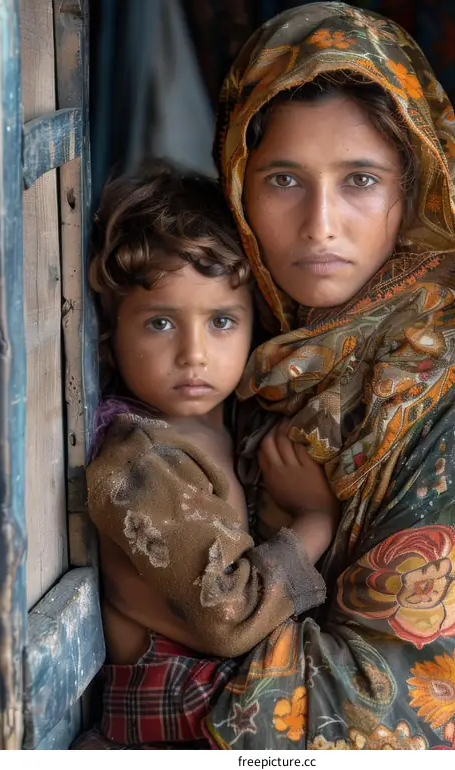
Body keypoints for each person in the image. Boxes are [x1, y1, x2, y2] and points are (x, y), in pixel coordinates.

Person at [78, 2, 455, 751]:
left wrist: (167, 635)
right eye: (284, 179)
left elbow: (401, 713)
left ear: (410, 195)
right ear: (239, 189)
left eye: (359, 180)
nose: (321, 223)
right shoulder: (229, 360)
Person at [83, 161, 339, 743]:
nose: (193, 354)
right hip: (177, 729)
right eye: (159, 323)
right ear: (112, 329)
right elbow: (229, 619)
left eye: (221, 320)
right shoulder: (142, 461)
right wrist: (315, 520)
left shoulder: (223, 423)